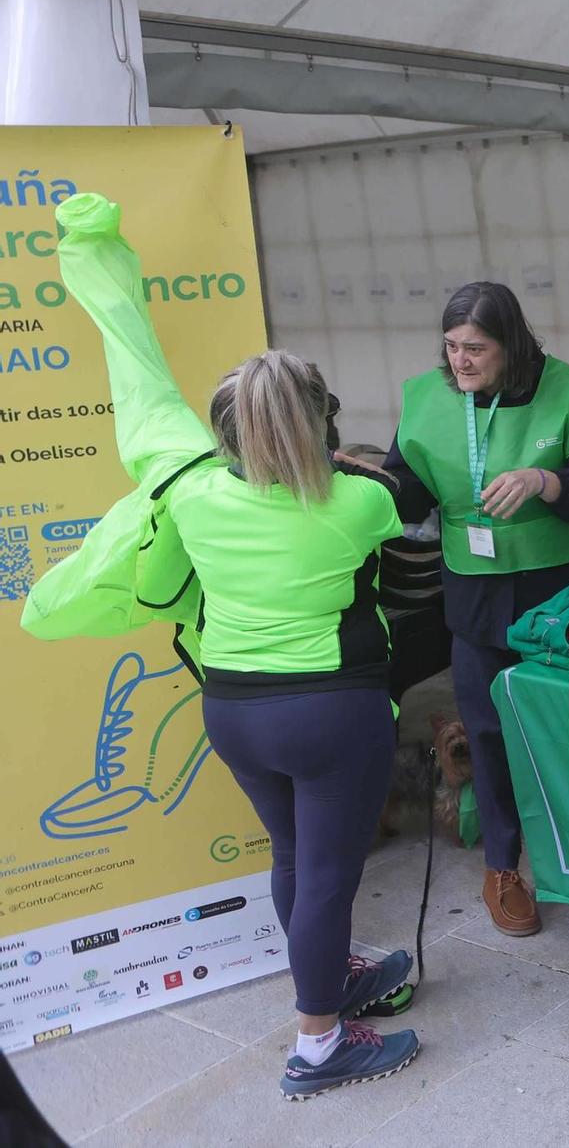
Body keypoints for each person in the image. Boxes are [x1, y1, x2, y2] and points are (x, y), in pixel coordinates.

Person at [29, 195, 419, 1098]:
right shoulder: (359, 501)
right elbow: (392, 512)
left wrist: (93, 247)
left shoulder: (193, 489)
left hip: (235, 710)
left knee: (292, 861)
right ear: (323, 421)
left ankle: (334, 978)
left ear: (228, 429)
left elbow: (139, 374)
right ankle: (319, 1043)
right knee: (327, 879)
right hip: (332, 711)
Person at [381, 282, 569, 938]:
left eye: (475, 348)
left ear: (509, 344)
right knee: (486, 731)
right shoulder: (425, 398)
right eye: (452, 347)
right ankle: (502, 866)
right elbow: (407, 495)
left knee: (567, 726)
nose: (460, 361)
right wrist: (370, 481)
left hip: (560, 595)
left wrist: (548, 481)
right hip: (475, 593)